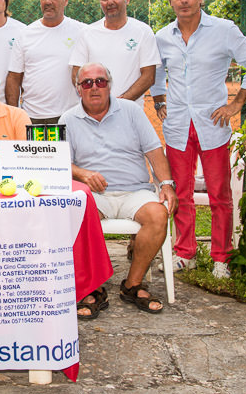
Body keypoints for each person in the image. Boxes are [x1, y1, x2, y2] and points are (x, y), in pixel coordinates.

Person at [151, 0, 246, 279]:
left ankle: (221, 258)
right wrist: (159, 101)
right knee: (181, 194)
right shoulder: (162, 37)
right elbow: (156, 73)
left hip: (212, 125)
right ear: (171, 1)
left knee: (219, 195)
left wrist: (237, 103)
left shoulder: (223, 30)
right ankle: (185, 253)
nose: (184, 0)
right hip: (177, 126)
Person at [60, 62, 178, 317]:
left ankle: (132, 284)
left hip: (135, 190)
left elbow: (154, 150)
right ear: (78, 88)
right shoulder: (68, 119)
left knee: (158, 216)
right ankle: (92, 287)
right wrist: (83, 173)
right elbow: (60, 163)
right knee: (73, 214)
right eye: (87, 83)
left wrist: (167, 184)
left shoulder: (132, 112)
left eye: (101, 81)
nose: (94, 87)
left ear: (110, 86)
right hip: (94, 195)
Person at [6, 0, 86, 124]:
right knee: (36, 149)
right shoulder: (25, 34)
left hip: (70, 118)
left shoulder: (82, 32)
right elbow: (13, 78)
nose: (48, 1)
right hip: (33, 118)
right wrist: (14, 117)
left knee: (67, 149)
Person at [69, 0, 160, 102]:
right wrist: (98, 103)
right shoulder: (86, 33)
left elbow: (149, 76)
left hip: (129, 112)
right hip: (95, 113)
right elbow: (76, 74)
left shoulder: (143, 31)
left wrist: (120, 103)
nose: (110, 2)